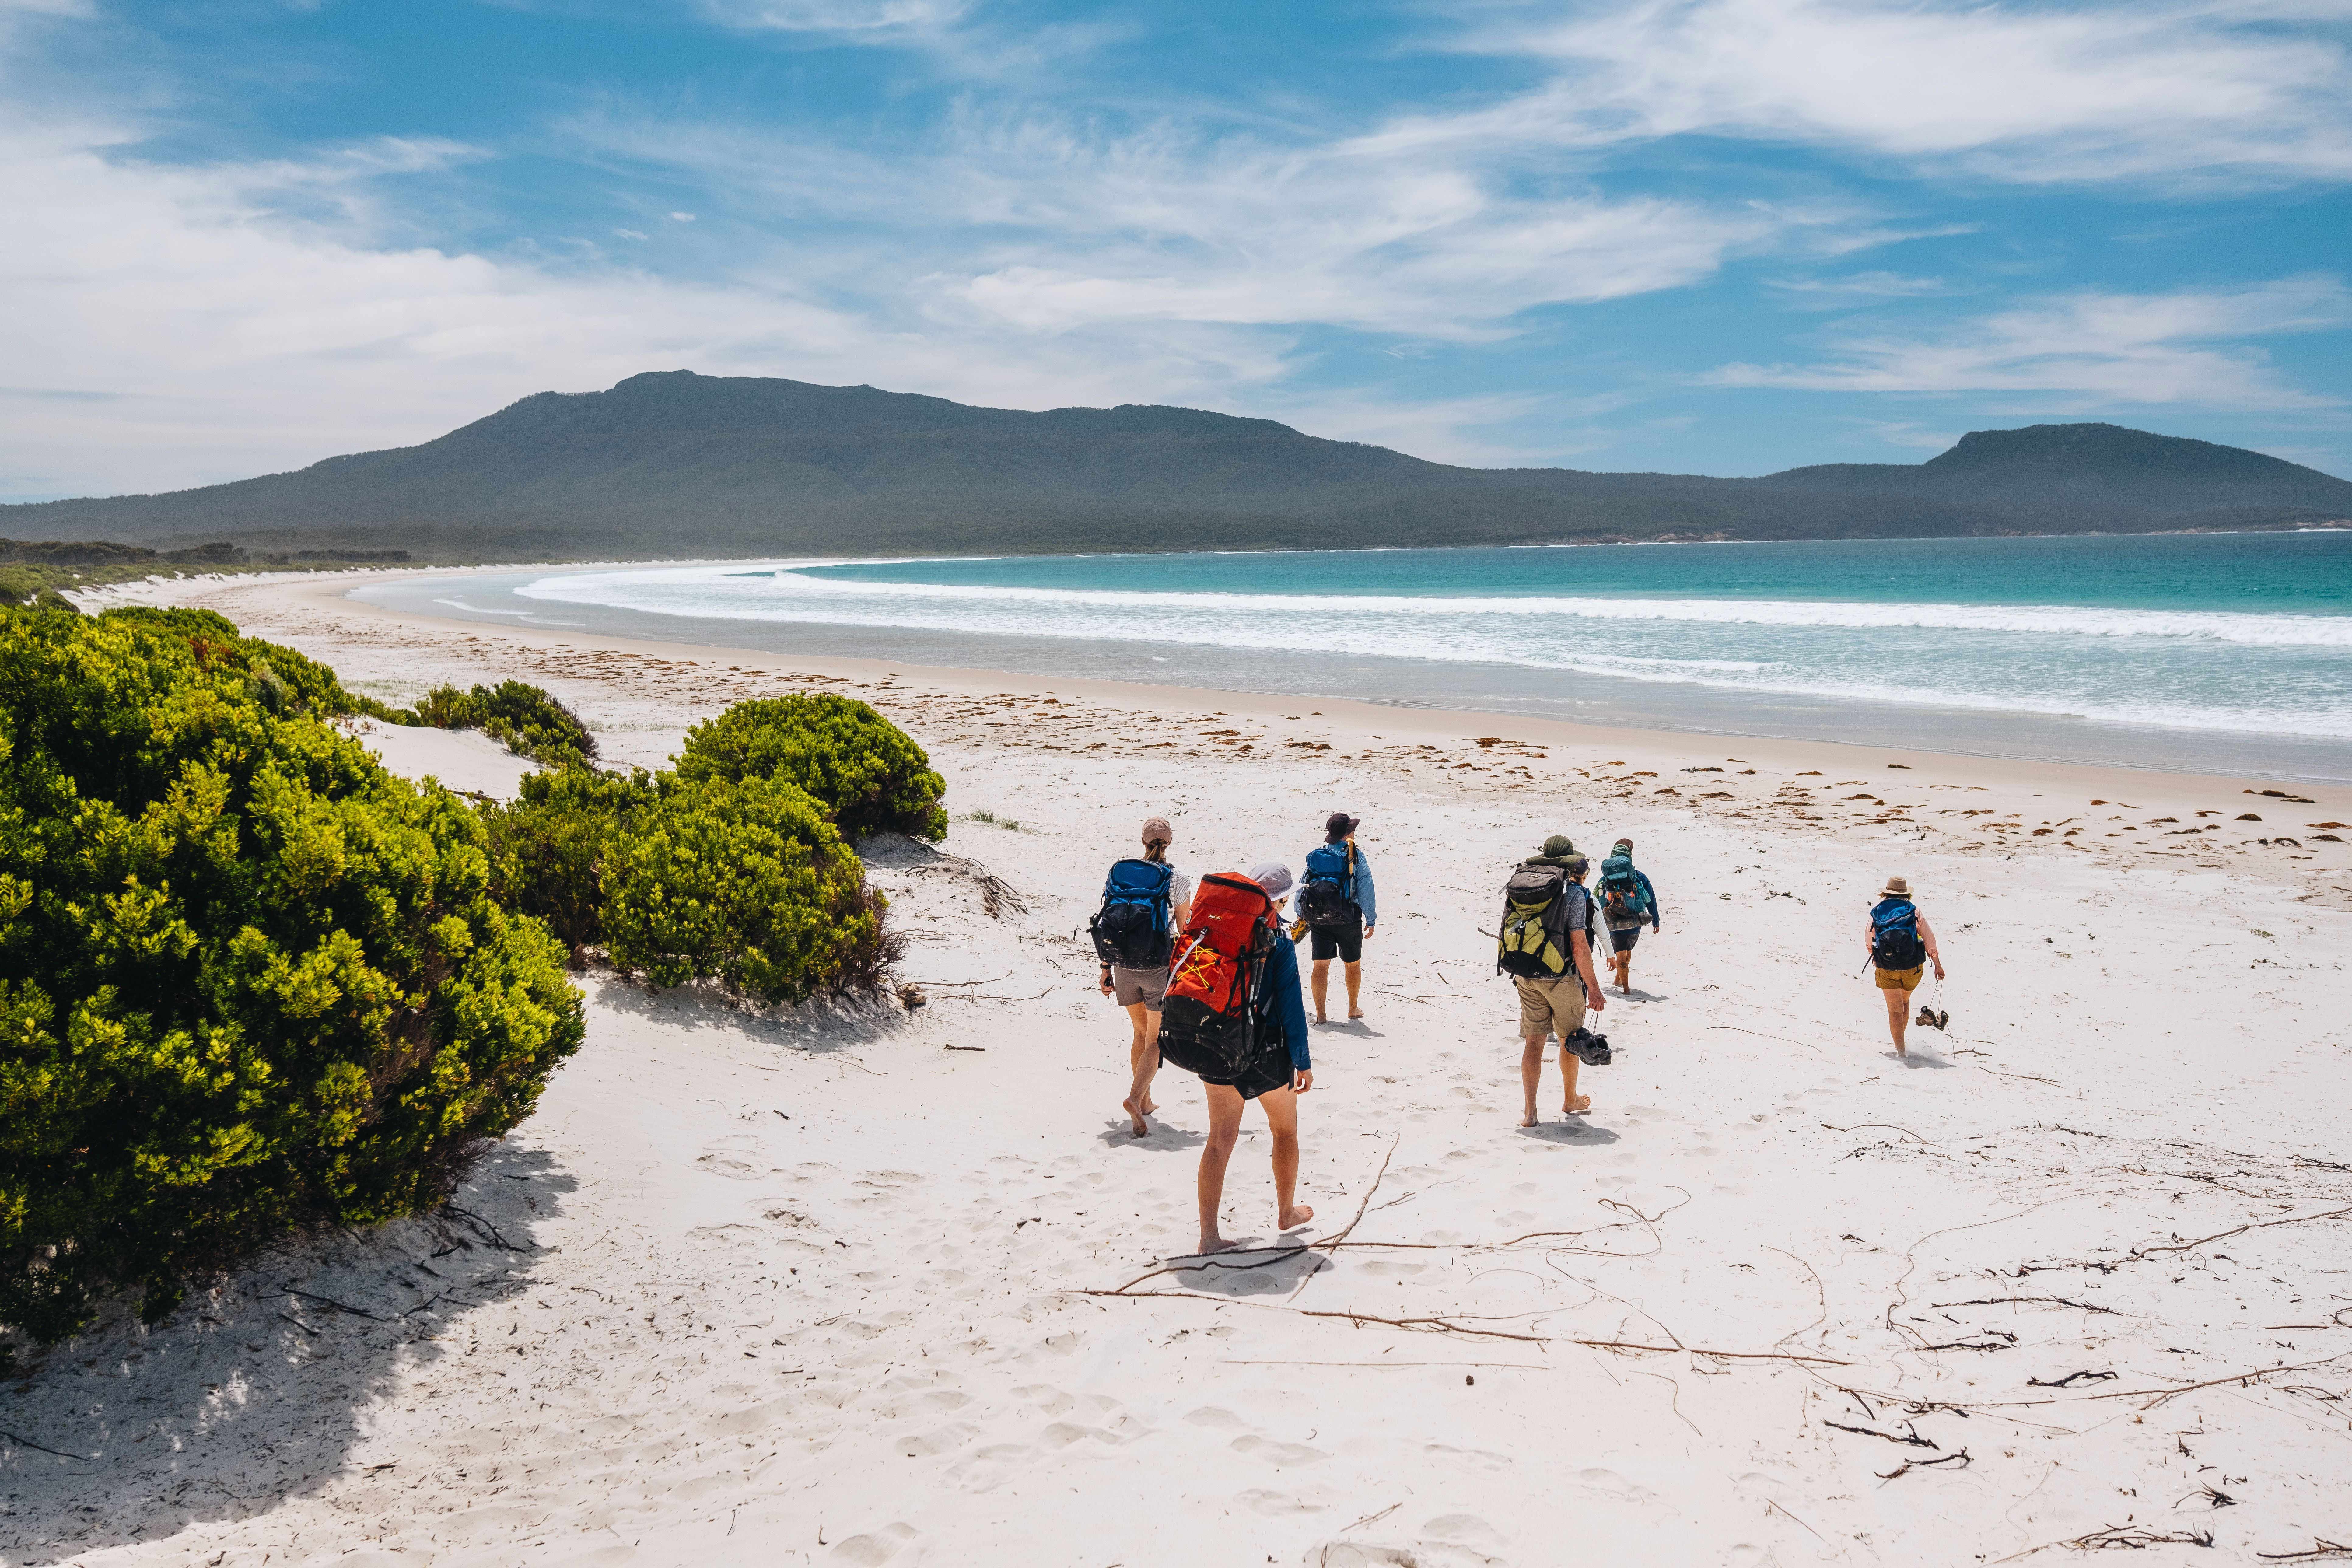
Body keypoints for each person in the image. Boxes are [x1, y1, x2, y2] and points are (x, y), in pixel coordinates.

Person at [1195, 862, 1314, 1255]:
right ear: (1276, 901)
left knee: (1218, 1143)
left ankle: (1209, 1237)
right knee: (1285, 1131)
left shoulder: (1214, 935)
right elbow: (1292, 1008)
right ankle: (1286, 1212)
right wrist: (1303, 1061)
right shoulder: (1277, 942)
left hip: (1218, 1046)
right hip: (1266, 1052)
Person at [1095, 818, 1194, 1136]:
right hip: (1156, 966)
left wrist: (1105, 969)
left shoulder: (1120, 873)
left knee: (1139, 1034)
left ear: (1142, 840)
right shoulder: (1176, 878)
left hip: (1123, 965)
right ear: (1170, 842)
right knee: (1155, 1039)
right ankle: (1136, 1099)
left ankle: (1147, 1099)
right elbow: (1184, 930)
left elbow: (1106, 919)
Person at [1506, 837, 1607, 1125]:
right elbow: (1579, 945)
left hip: (1526, 972)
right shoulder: (1573, 893)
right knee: (1569, 1040)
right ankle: (1570, 1099)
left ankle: (1530, 1112)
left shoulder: (1523, 885)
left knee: (1534, 1041)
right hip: (1562, 977)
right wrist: (1596, 989)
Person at [1298, 812, 1377, 1024]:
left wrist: (1301, 914)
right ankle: (1353, 1009)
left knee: (1320, 965)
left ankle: (1321, 1015)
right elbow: (1366, 888)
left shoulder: (1318, 855)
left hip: (1317, 917)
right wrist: (1371, 919)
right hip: (1348, 918)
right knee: (1352, 965)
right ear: (1347, 834)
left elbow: (1304, 883)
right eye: (1352, 829)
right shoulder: (1355, 856)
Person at [1866, 874, 1944, 1057]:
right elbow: (1929, 939)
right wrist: (1938, 965)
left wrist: (1879, 960)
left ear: (1886, 893)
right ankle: (1902, 1043)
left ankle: (1901, 1051)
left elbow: (1869, 942)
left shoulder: (1877, 912)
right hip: (1912, 967)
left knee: (1894, 1010)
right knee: (1905, 1002)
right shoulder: (1914, 911)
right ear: (1907, 894)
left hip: (1886, 967)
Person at [1597, 837, 1662, 994]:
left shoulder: (1605, 878)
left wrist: (1596, 923)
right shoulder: (1639, 877)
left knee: (1621, 955)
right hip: (1635, 921)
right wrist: (1656, 920)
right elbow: (1650, 899)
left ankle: (1621, 982)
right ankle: (1625, 988)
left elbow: (1597, 899)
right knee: (1627, 952)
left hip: (1613, 921)